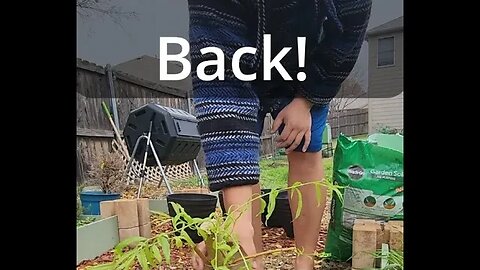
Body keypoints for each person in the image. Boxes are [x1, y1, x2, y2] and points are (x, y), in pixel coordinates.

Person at [187, 0, 372, 269]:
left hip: (307, 62)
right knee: (242, 161)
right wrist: (235, 226)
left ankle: (304, 261)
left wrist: (307, 99)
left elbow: (348, 35)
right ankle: (252, 259)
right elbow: (218, 76)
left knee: (305, 149)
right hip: (239, 61)